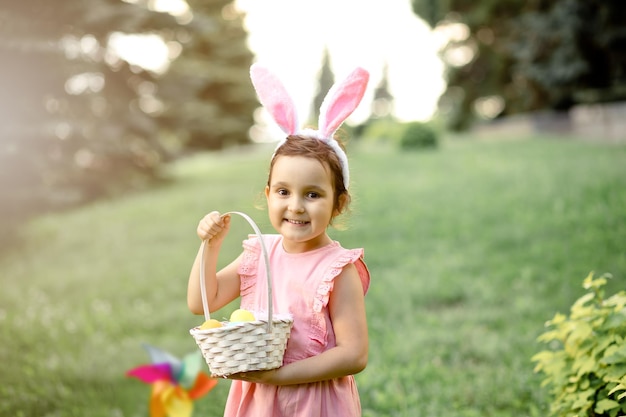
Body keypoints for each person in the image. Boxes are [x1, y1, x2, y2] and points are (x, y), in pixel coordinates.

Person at [187, 63, 371, 417]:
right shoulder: (260, 253)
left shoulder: (337, 269)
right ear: (268, 194)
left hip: (315, 403)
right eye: (284, 191)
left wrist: (280, 376)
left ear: (339, 202)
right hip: (258, 403)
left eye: (313, 194)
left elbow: (354, 354)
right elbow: (201, 301)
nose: (296, 206)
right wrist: (210, 245)